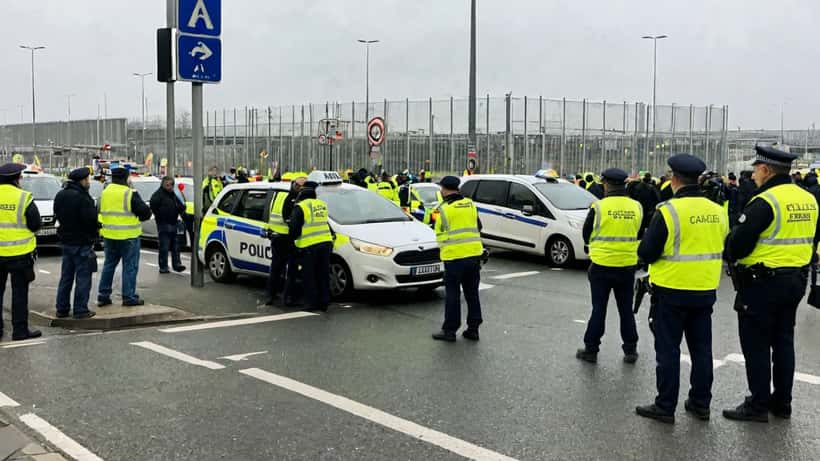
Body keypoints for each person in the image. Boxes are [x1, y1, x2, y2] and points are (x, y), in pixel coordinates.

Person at [723, 145, 820, 422]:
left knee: (756, 345)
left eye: (756, 170)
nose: (753, 175)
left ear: (766, 170)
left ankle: (758, 405)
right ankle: (782, 403)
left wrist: (730, 245)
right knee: (783, 341)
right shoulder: (808, 199)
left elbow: (738, 245)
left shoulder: (765, 202)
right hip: (796, 280)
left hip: (762, 283)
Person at [634, 154, 729, 424]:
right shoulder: (717, 211)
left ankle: (665, 406)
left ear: (674, 179)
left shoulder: (668, 211)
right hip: (705, 290)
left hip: (671, 291)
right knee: (702, 350)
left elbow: (647, 252)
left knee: (668, 350)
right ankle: (700, 404)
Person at [576, 168, 642, 363]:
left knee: (599, 309)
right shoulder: (636, 207)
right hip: (627, 266)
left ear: (606, 184)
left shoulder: (599, 207)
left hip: (601, 266)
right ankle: (630, 350)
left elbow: (586, 234)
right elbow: (639, 233)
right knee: (626, 310)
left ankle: (591, 349)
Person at [431, 176, 484, 342]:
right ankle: (473, 329)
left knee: (453, 295)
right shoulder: (470, 204)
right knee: (472, 294)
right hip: (474, 256)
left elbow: (439, 232)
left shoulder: (444, 209)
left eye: (441, 188)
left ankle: (450, 331)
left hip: (454, 258)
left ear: (444, 189)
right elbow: (479, 226)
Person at [97, 167, 152, 307]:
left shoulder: (105, 192)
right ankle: (128, 296)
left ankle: (103, 295)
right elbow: (146, 213)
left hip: (109, 235)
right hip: (129, 236)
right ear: (126, 178)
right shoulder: (129, 193)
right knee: (130, 267)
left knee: (109, 265)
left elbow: (99, 211)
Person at [0, 163, 42, 341]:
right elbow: (35, 224)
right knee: (19, 293)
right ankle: (19, 331)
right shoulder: (24, 197)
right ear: (16, 179)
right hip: (20, 254)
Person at [54, 167, 99, 320]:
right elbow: (90, 220)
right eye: (87, 180)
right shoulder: (83, 198)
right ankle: (80, 310)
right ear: (82, 181)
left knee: (66, 277)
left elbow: (57, 214)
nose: (89, 182)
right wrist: (94, 234)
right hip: (81, 242)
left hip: (66, 241)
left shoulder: (60, 195)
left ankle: (62, 308)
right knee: (83, 277)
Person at [289, 181, 333, 312]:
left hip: (309, 245)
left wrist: (293, 241)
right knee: (323, 274)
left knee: (309, 275)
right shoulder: (322, 204)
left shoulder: (300, 207)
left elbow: (294, 228)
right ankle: (324, 301)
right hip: (325, 243)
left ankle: (311, 302)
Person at [265, 175, 306, 306]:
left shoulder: (280, 195)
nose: (300, 188)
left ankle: (271, 296)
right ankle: (287, 298)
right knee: (290, 270)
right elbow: (290, 219)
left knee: (277, 268)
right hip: (287, 238)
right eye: (299, 186)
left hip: (277, 236)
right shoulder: (294, 198)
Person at [149, 176, 186, 274]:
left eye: (171, 185)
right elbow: (153, 205)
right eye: (167, 185)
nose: (169, 187)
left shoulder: (173, 195)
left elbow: (180, 206)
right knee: (164, 247)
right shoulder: (158, 195)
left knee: (176, 246)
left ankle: (177, 264)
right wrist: (160, 215)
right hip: (163, 223)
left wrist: (182, 209)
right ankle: (163, 266)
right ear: (163, 184)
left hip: (174, 222)